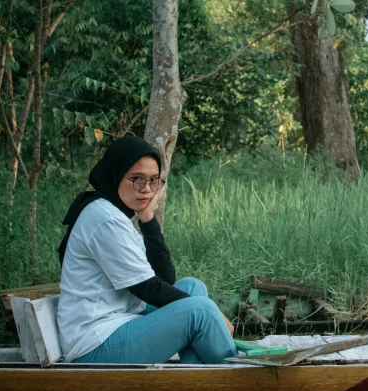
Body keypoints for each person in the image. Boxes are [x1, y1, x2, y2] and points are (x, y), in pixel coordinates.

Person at [56, 136, 237, 364]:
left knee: (193, 287)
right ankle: (236, 381)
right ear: (116, 173)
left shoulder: (117, 213)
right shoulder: (104, 219)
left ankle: (191, 381)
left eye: (153, 180)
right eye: (137, 179)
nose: (147, 190)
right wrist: (215, 315)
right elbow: (147, 288)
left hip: (122, 321)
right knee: (201, 311)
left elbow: (165, 279)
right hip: (95, 343)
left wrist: (147, 219)